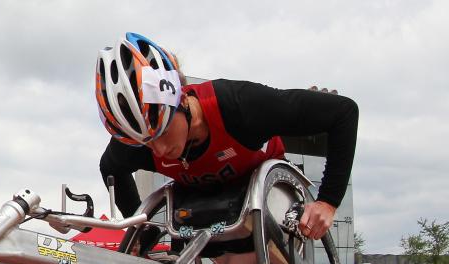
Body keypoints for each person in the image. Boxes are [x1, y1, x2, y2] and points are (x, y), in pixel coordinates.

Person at [96, 33, 358, 241]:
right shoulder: (143, 143)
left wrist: (328, 201)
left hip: (265, 203)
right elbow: (110, 167)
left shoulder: (241, 105)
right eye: (146, 142)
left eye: (162, 130)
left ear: (182, 98)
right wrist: (142, 231)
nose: (159, 148)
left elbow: (343, 113)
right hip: (202, 209)